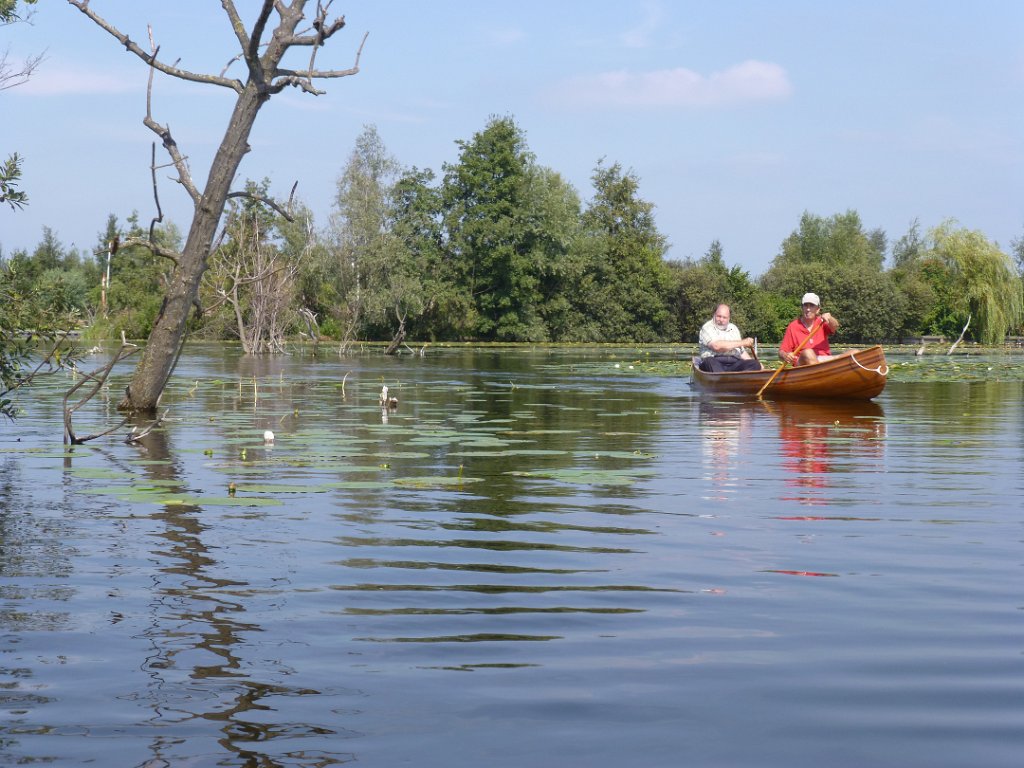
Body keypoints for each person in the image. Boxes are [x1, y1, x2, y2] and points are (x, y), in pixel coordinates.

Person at [778, 293, 840, 366]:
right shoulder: (793, 326)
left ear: (817, 309)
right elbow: (781, 352)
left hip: (824, 359)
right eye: (806, 305)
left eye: (811, 306)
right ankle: (822, 373)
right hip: (802, 361)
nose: (808, 309)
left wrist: (829, 318)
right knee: (808, 353)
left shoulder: (822, 322)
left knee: (853, 353)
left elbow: (835, 326)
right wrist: (785, 355)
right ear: (802, 308)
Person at [698, 303, 762, 372]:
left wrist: (758, 365)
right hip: (714, 361)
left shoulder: (734, 328)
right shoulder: (707, 327)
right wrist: (743, 342)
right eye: (719, 316)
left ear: (729, 318)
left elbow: (741, 352)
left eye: (724, 317)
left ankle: (737, 379)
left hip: (733, 364)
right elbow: (716, 346)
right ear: (714, 315)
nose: (721, 320)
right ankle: (723, 379)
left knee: (755, 364)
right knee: (709, 361)